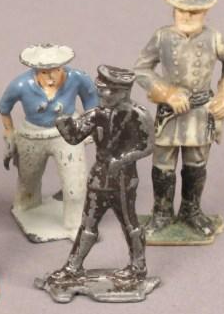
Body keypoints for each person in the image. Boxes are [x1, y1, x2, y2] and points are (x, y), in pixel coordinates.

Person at [133, 0, 224, 237]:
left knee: (196, 162)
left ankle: (191, 210)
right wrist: (167, 93)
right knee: (163, 163)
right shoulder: (161, 37)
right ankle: (162, 212)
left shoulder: (214, 38)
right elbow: (141, 69)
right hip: (170, 113)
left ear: (205, 13)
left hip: (201, 112)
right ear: (173, 11)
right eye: (181, 10)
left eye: (194, 12)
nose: (187, 16)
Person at [49, 66, 154, 282]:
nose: (101, 94)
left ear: (122, 92)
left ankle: (138, 267)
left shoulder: (138, 114)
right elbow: (74, 136)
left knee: (130, 224)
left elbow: (148, 145)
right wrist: (62, 120)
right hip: (99, 178)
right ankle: (73, 267)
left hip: (123, 181)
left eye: (106, 90)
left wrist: (124, 159)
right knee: (88, 224)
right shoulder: (97, 114)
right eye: (99, 89)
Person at [0, 44, 98, 240]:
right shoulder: (21, 84)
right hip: (32, 135)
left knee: (75, 185)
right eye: (44, 72)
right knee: (28, 181)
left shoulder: (77, 78)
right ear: (36, 70)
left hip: (68, 134)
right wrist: (9, 132)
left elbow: (92, 99)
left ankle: (74, 224)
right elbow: (4, 107)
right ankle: (26, 207)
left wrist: (89, 126)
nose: (51, 77)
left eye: (56, 70)